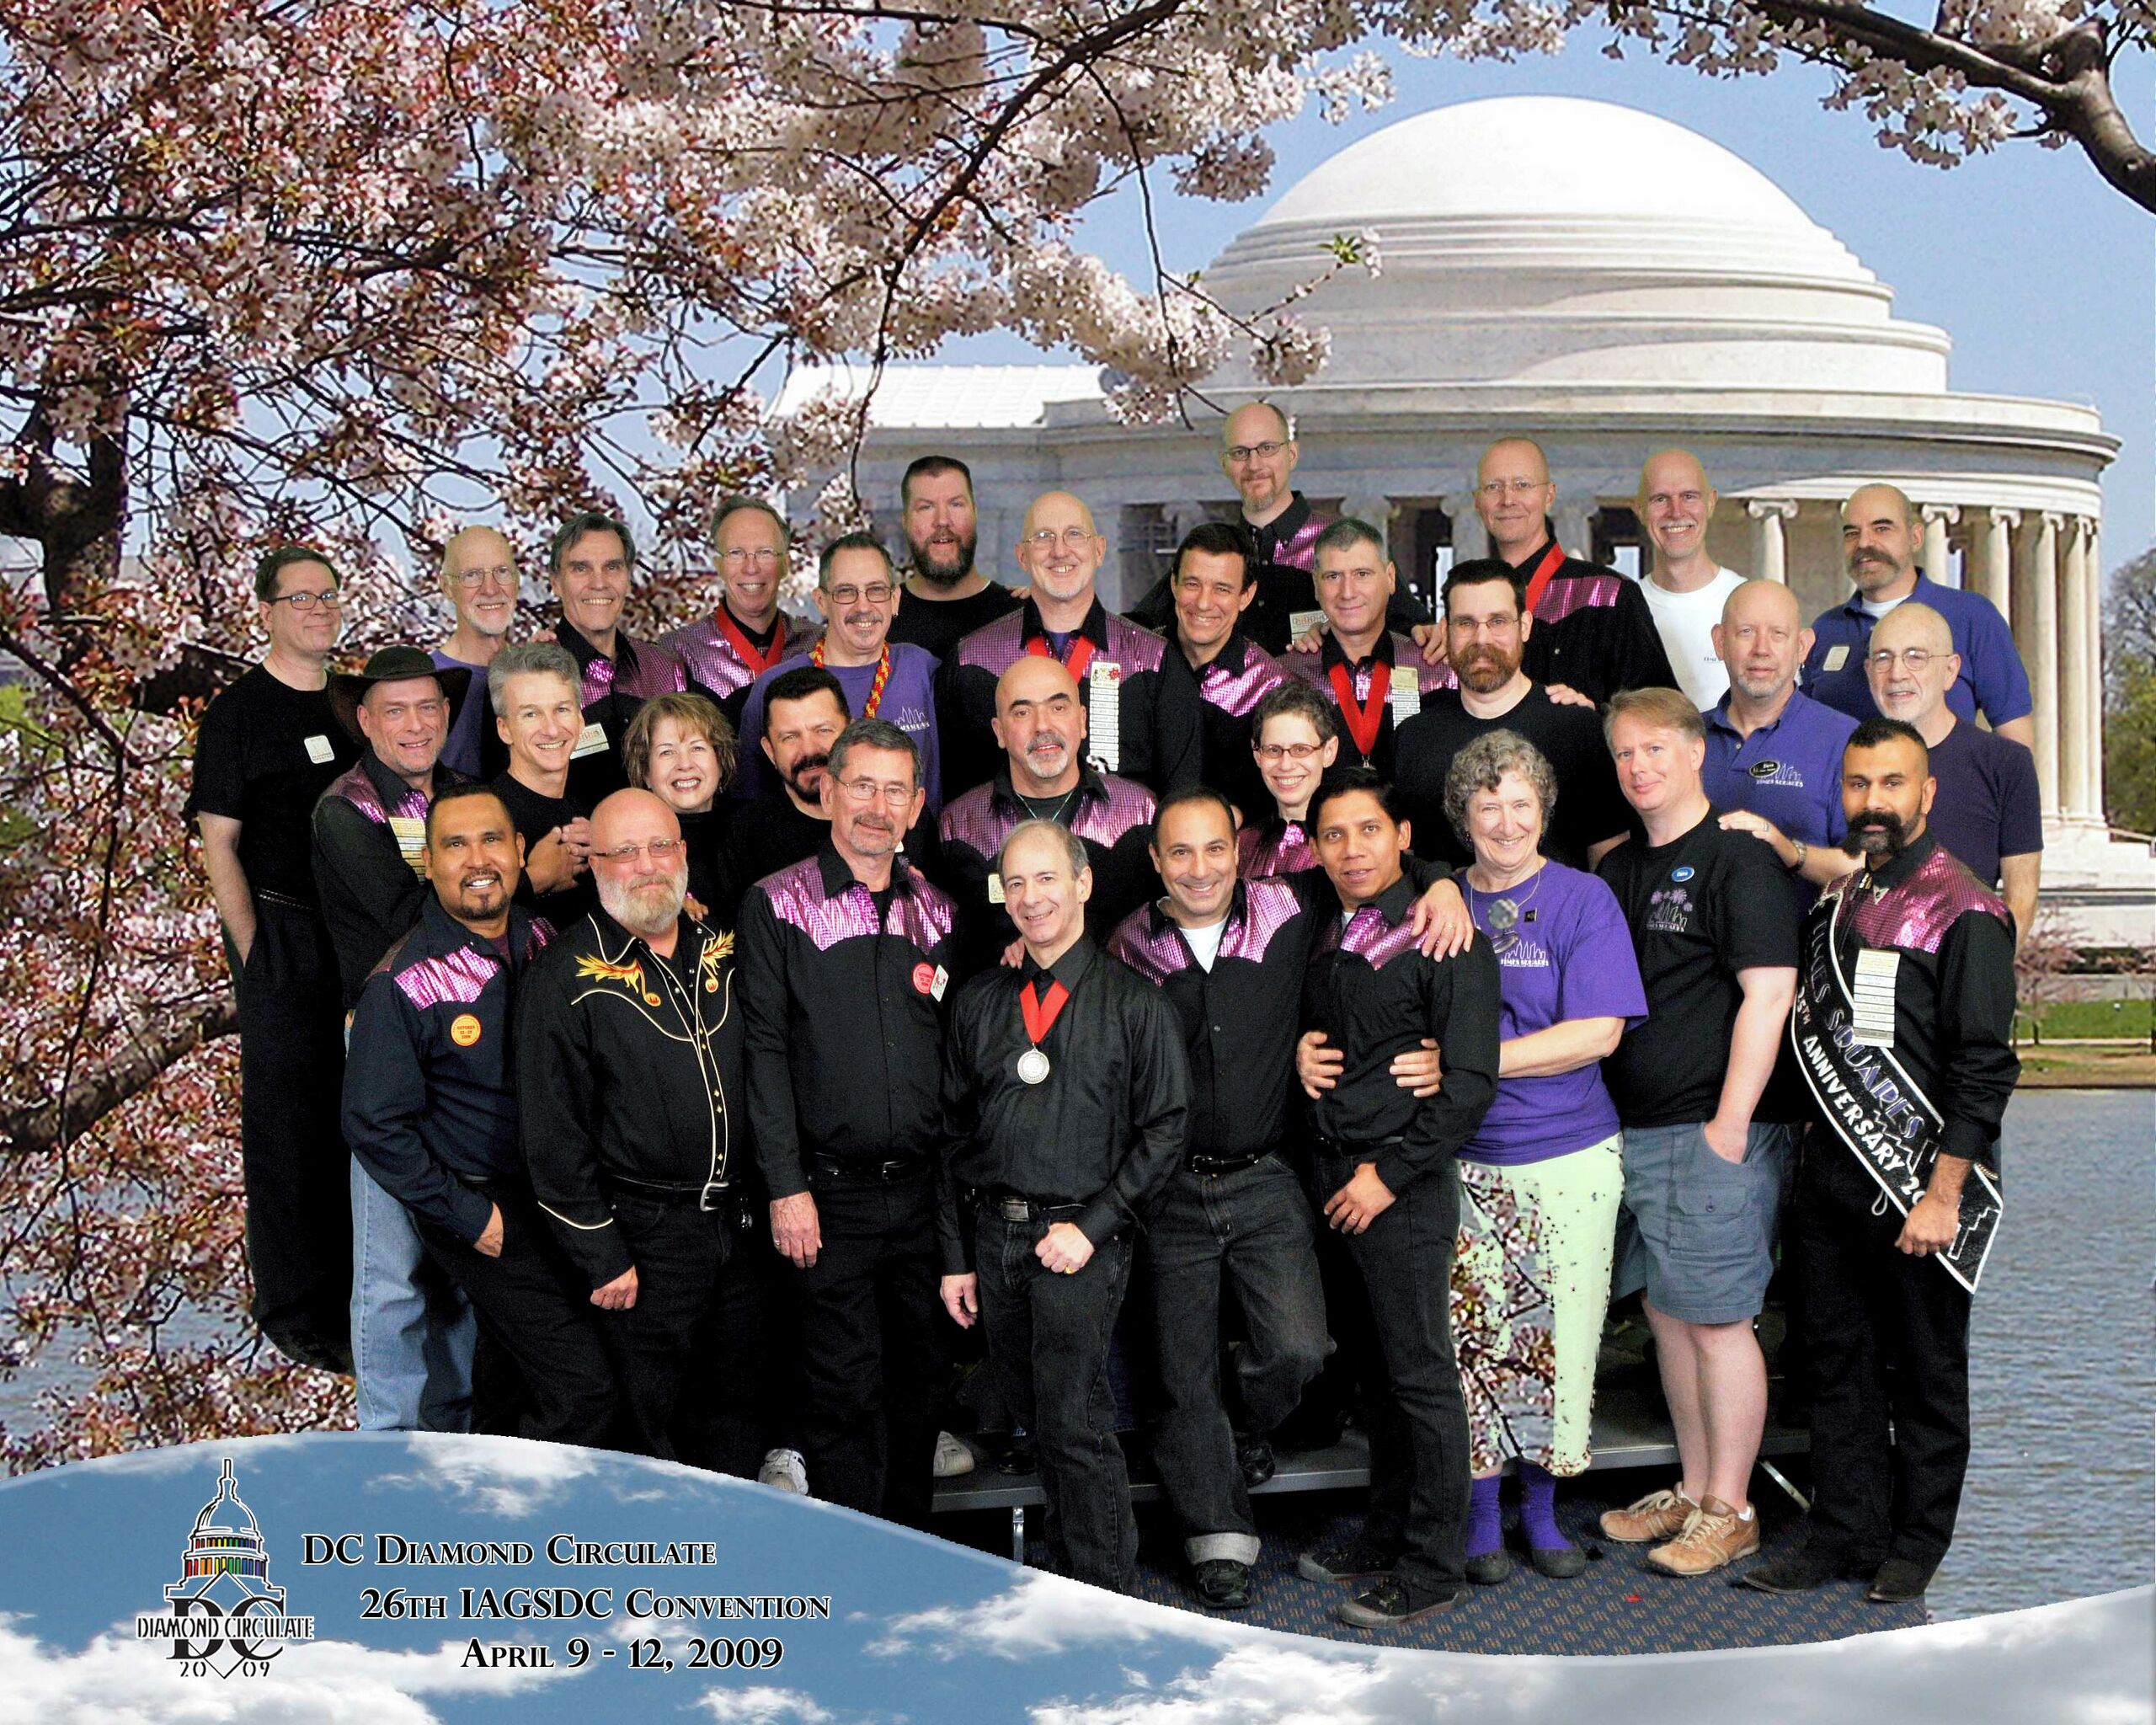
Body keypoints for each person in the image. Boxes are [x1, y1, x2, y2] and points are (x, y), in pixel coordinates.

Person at [1110, 786, 1469, 1610]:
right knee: (1180, 1371)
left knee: (1301, 1347)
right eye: (1179, 852)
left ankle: (1241, 1422)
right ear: (1156, 860)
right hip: (1169, 1187)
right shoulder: (1128, 944)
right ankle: (1219, 1540)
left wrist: (1443, 880)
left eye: (1215, 848)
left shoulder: (1288, 903)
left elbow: (1369, 864)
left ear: (1238, 852)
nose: (1199, 868)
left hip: (1268, 1176)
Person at [1746, 718, 2019, 1606]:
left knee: (1926, 1375)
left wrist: (1942, 1195)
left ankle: (1916, 1543)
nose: (1873, 802)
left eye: (1891, 784)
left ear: (1925, 793)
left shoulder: (1966, 909)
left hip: (1920, 1186)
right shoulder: (1839, 898)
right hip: (1831, 1181)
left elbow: (1984, 1067)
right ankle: (1842, 1531)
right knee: (1836, 1365)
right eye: (1858, 784)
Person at [938, 820, 1190, 1591]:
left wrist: (1093, 1227)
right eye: (1015, 883)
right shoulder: (981, 1000)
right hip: (997, 1237)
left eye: (1047, 878)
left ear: (1082, 884)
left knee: (1075, 1419)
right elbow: (950, 1133)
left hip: (1081, 1239)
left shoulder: (1136, 1002)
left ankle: (1105, 1592)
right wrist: (957, 1258)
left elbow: (1167, 1128)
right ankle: (1072, 1571)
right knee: (1038, 1415)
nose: (1031, 897)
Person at [1594, 687, 1807, 1577]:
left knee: (1719, 1321)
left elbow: (1770, 992)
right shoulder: (1617, 869)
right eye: (1624, 752)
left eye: (1655, 748)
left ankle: (1733, 1507)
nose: (1638, 766)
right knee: (1668, 1313)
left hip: (1712, 1130)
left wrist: (1730, 1122)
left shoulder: (1736, 858)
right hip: (1637, 1130)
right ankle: (1692, 1488)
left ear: (1695, 753)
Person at [341, 783, 618, 1444]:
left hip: (562, 1196)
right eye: (455, 845)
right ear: (430, 863)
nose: (477, 860)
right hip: (489, 1210)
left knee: (511, 1383)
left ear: (521, 850)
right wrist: (469, 1216)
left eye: (492, 840)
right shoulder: (402, 982)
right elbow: (373, 1124)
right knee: (584, 1386)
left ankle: (490, 1495)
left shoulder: (547, 940)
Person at [1291, 768, 1501, 1628]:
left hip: (1398, 1187)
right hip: (1333, 1179)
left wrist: (1388, 1176)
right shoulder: (1318, 922)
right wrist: (1298, 1054)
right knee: (1374, 1375)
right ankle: (1385, 1532)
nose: (1352, 849)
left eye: (1368, 830)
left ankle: (1431, 1565)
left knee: (1421, 1379)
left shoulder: (1443, 933)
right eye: (1334, 834)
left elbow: (1469, 1085)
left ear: (1403, 836)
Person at [1434, 732, 1646, 1584]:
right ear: (1463, 816)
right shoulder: (1439, 898)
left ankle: (1544, 1508)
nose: (1506, 821)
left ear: (1545, 810)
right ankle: (1482, 1514)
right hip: (1462, 1157)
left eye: (1521, 803)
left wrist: (1471, 1059)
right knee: (1473, 1340)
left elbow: (1596, 1033)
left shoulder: (1583, 899)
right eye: (1487, 804)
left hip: (1568, 1151)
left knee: (1560, 1336)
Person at [738, 719, 959, 1529]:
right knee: (844, 1392)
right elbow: (761, 1050)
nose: (877, 806)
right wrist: (785, 1187)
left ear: (917, 803)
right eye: (861, 785)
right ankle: (855, 1566)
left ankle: (913, 1557)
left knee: (924, 1384)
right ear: (829, 789)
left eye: (894, 789)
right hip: (828, 1198)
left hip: (923, 1196)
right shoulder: (777, 903)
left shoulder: (938, 910)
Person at [517, 788, 771, 1473]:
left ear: (683, 854)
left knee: (735, 1415)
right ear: (596, 865)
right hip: (642, 1237)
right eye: (625, 851)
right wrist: (600, 1252)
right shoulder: (564, 974)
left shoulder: (725, 946)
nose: (647, 864)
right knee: (648, 1429)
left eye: (660, 846)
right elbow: (551, 1133)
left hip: (737, 1230)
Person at [189, 546, 360, 1371]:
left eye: (328, 595)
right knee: (291, 1118)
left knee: (363, 1110)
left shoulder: (353, 703)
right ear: (264, 611)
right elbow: (218, 842)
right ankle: (299, 1306)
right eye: (300, 597)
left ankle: (364, 1291)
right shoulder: (239, 714)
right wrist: (253, 948)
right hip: (283, 931)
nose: (318, 608)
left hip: (360, 931)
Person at [312, 646, 476, 1433]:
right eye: (396, 711)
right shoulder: (344, 811)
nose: (416, 725)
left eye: (428, 708)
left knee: (468, 1249)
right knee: (391, 1265)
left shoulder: (467, 794)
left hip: (474, 1041)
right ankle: (388, 1441)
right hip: (389, 1046)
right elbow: (409, 921)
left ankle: (463, 1432)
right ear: (366, 721)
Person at [1129, 404, 1432, 654]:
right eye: (1240, 453)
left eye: (1267, 448)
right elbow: (1134, 632)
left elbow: (1413, 631)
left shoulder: (1345, 544)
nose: (1254, 464)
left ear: (1292, 454)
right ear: (1225, 464)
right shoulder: (1212, 554)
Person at [1391, 558, 1630, 872]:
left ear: (1525, 626)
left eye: (1498, 621)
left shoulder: (1580, 729)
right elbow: (1406, 863)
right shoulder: (1414, 738)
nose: (1482, 639)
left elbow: (1611, 861)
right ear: (1445, 630)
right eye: (1466, 623)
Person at [938, 489, 1182, 797]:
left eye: (1075, 534)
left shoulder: (1153, 659)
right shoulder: (970, 661)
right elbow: (952, 797)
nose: (1060, 550)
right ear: (1022, 556)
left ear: (1099, 550)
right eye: (1043, 537)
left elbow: (1181, 798)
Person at [935, 656, 1157, 970]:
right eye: (1022, 712)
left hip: (1121, 996)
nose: (1042, 725)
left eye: (1058, 707)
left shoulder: (1140, 811)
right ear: (999, 731)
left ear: (1082, 721)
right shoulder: (957, 825)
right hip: (1000, 997)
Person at [1801, 483, 2035, 747]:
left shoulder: (1971, 616)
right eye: (1852, 533)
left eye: (1882, 528)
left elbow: (2014, 734)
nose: (1864, 543)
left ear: (1915, 537)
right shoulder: (1826, 629)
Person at [1864, 601, 2041, 942]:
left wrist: (1982, 966)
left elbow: (2021, 901)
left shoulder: (2007, 763)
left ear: (1950, 671)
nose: (1897, 674)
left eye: (1916, 657)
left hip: (1967, 960)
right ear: (1869, 671)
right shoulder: (1847, 761)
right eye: (1883, 658)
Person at [735, 533, 943, 809]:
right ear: (821, 601)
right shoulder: (774, 686)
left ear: (895, 599)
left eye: (876, 590)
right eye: (846, 592)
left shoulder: (922, 668)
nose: (863, 606)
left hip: (914, 835)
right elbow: (749, 802)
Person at [1474, 437, 1676, 702]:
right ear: (1477, 501)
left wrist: (1593, 716)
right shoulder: (1469, 605)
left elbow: (1664, 708)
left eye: (1522, 485)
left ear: (1549, 496)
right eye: (1493, 487)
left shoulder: (1608, 594)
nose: (1508, 499)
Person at [1702, 579, 1864, 889]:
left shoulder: (1845, 740)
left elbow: (1868, 866)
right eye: (1746, 632)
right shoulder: (1685, 738)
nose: (1761, 649)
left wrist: (1791, 852)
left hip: (1806, 921)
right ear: (1720, 642)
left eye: (1778, 634)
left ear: (1802, 646)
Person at [1281, 518, 1455, 777]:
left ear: (1390, 578)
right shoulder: (1286, 674)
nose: (1347, 592)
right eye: (1333, 576)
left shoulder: (1436, 668)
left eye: (1362, 574)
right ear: (1316, 586)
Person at [546, 510, 692, 804]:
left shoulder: (667, 669)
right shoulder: (532, 676)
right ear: (556, 582)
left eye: (612, 567)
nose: (599, 583)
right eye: (581, 568)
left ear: (628, 577)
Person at [1149, 520, 1290, 814]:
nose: (1203, 603)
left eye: (1222, 589)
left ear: (1246, 596)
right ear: (1173, 584)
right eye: (1192, 584)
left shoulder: (1272, 686)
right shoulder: (1140, 662)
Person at [662, 497, 820, 724]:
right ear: (719, 565)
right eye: (736, 553)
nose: (751, 568)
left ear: (785, 564)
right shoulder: (678, 653)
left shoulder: (818, 645)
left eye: (765, 552)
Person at [487, 641, 597, 928]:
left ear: (580, 719)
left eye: (562, 709)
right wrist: (535, 878)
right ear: (504, 729)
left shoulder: (589, 819)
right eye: (531, 714)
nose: (551, 729)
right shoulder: (483, 815)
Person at [724, 665, 856, 887]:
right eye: (790, 737)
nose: (809, 750)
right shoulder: (744, 836)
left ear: (851, 734)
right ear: (770, 751)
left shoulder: (892, 811)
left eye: (823, 730)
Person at [1634, 451, 1747, 708]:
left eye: (1689, 496)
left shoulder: (1748, 602)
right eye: (1660, 499)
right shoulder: (1621, 611)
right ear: (1640, 510)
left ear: (1711, 502)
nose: (1676, 512)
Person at [622, 690, 744, 927]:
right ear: (645, 772)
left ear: (720, 761)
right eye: (667, 752)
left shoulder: (754, 825)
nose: (684, 764)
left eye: (697, 748)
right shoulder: (628, 848)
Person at [886, 456, 1022, 661]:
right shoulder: (880, 620)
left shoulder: (1020, 615)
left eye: (956, 504)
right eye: (926, 507)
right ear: (905, 521)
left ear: (975, 513)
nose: (942, 520)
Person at [434, 526, 520, 779]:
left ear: (517, 581)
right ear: (447, 587)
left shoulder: (534, 675)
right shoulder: (427, 682)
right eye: (472, 575)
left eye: (502, 572)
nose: (490, 589)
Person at [1237, 682, 1340, 879]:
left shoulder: (1350, 846)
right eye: (1273, 750)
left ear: (1329, 751)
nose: (1285, 765)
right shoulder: (1241, 846)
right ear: (1257, 755)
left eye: (1300, 749)